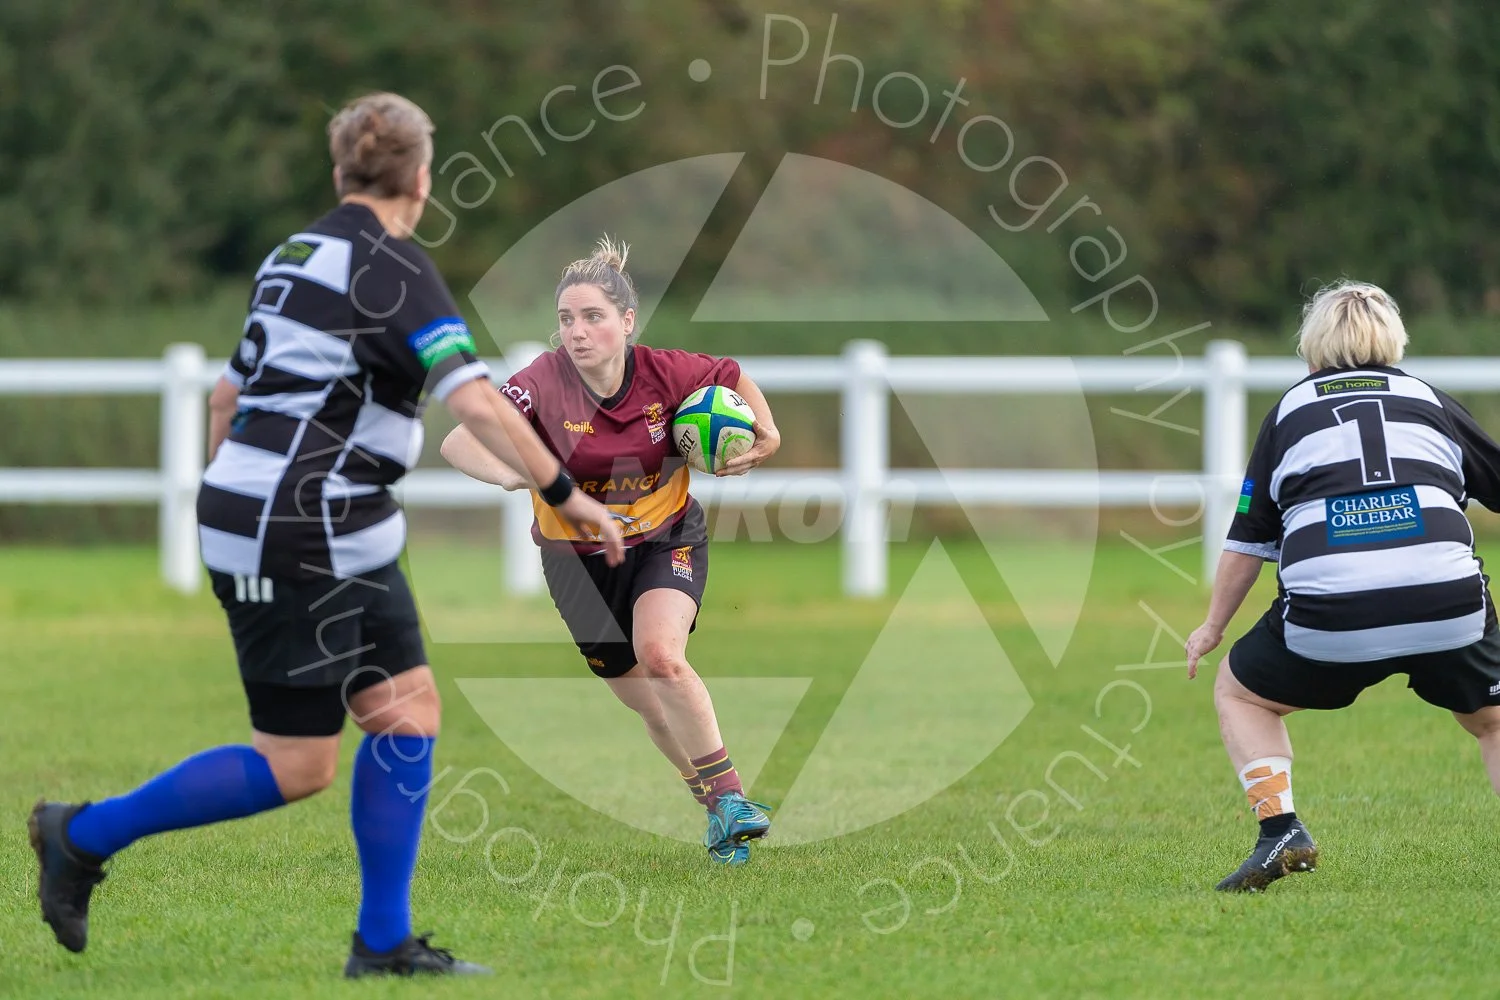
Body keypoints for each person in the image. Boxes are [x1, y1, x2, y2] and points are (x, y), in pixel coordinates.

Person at [27, 92, 624, 976]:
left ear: (341, 171)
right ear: (420, 179)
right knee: (296, 763)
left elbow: (227, 396)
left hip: (327, 525)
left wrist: (234, 494)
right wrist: (566, 493)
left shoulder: (293, 255)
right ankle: (79, 835)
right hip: (302, 527)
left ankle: (382, 945)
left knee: (407, 713)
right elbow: (473, 401)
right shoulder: (397, 267)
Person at [440, 236, 782, 865]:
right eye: (567, 318)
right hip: (576, 565)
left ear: (627, 321)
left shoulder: (665, 372)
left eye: (593, 316)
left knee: (662, 659)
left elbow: (733, 377)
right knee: (650, 706)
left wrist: (769, 434)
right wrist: (517, 473)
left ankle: (732, 798)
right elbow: (459, 441)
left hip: (666, 539)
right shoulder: (541, 383)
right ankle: (714, 807)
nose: (577, 331)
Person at [1184, 280, 1500, 892]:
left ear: (1312, 351)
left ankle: (1280, 830)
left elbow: (1249, 537)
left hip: (1328, 615)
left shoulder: (1289, 412)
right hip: (1449, 604)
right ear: (1395, 343)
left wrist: (1212, 628)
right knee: (1493, 720)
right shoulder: (1428, 399)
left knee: (1241, 694)